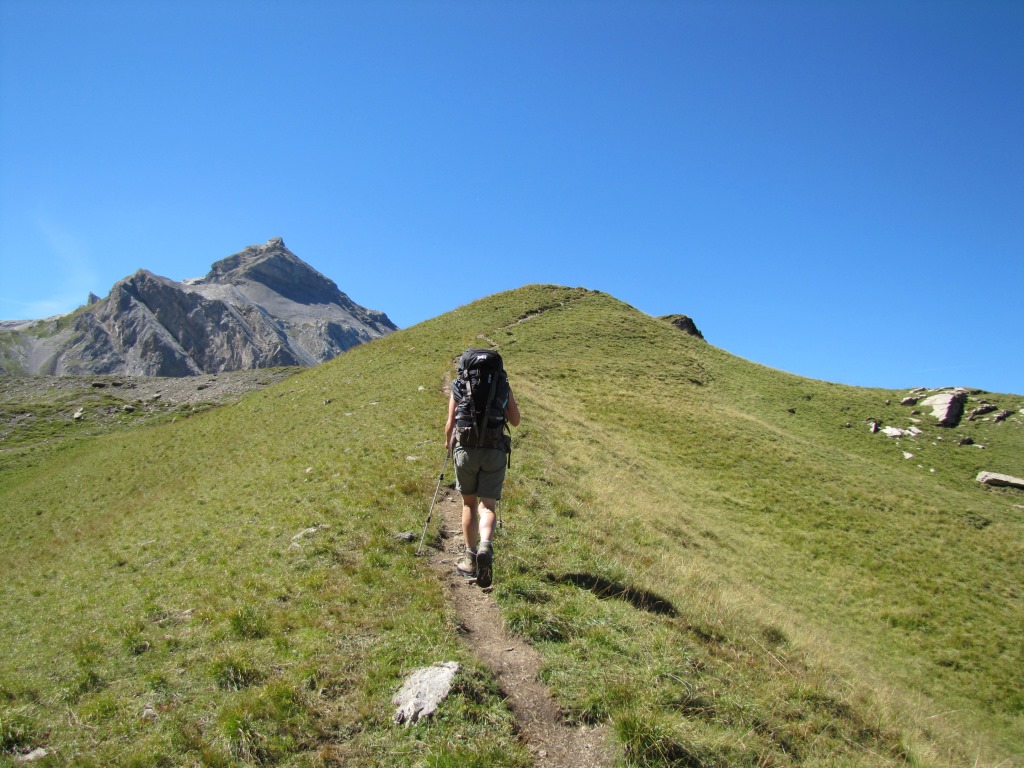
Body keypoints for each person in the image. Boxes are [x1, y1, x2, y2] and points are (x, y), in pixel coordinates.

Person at [444, 352, 521, 588]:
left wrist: (449, 445)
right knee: (487, 505)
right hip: (495, 450)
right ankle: (486, 545)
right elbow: (516, 421)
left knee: (468, 504)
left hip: (466, 450)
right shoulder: (501, 385)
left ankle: (470, 558)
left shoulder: (458, 385)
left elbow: (450, 424)